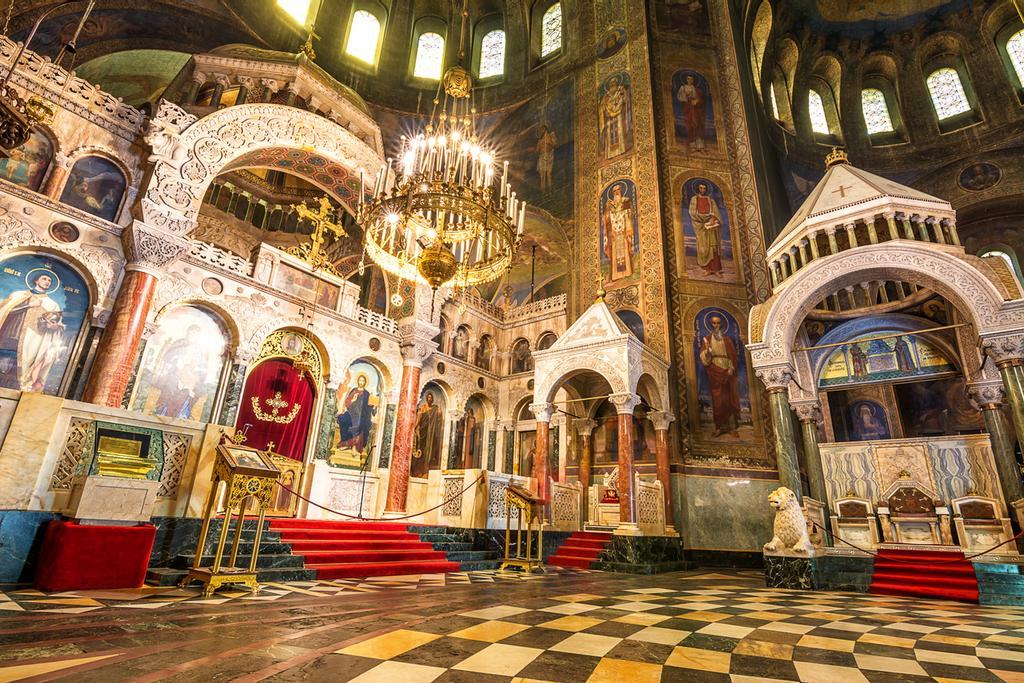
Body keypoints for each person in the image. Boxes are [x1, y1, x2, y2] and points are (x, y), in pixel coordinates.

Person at [0, 270, 66, 392]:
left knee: (19, 371)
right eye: (44, 279)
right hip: (9, 335)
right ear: (36, 280)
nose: (47, 282)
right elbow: (6, 311)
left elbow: (58, 327)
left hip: (32, 341)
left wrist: (54, 327)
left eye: (50, 280)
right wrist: (29, 305)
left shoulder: (52, 304)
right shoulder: (18, 295)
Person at [698, 315, 740, 437]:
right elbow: (703, 357)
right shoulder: (707, 339)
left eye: (717, 323)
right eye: (713, 323)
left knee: (729, 398)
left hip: (727, 370)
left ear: (721, 324)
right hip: (714, 370)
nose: (715, 325)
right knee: (718, 400)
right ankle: (719, 427)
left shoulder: (727, 339)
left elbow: (732, 355)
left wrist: (731, 367)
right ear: (711, 325)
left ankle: (732, 427)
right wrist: (707, 352)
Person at [602, 182, 636, 283]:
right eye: (615, 192)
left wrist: (624, 213)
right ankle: (616, 276)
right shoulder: (610, 205)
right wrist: (607, 211)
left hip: (623, 232)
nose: (616, 193)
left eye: (618, 191)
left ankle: (627, 273)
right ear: (613, 193)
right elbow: (606, 220)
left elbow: (630, 214)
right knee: (615, 254)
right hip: (615, 234)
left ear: (621, 191)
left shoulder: (625, 201)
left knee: (625, 251)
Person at [688, 182, 724, 277]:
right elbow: (692, 213)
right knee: (704, 249)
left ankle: (716, 270)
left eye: (704, 188)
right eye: (701, 188)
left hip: (711, 228)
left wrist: (713, 218)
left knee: (714, 248)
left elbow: (716, 214)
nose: (702, 190)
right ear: (697, 188)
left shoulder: (710, 201)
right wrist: (704, 219)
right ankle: (707, 269)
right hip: (701, 227)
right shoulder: (694, 199)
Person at [336, 373, 376, 456]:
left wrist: (372, 403)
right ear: (358, 381)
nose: (361, 382)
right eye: (360, 380)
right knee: (342, 418)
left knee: (357, 424)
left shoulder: (366, 393)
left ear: (365, 382)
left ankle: (354, 447)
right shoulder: (354, 390)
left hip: (361, 415)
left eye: (363, 381)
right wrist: (353, 400)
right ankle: (345, 443)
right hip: (351, 413)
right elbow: (347, 403)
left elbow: (369, 407)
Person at [599, 75, 631, 160]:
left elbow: (625, 101)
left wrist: (624, 93)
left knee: (619, 131)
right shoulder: (607, 97)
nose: (613, 86)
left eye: (614, 84)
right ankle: (610, 154)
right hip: (609, 118)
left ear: (617, 84)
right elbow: (602, 107)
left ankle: (621, 149)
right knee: (610, 135)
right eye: (611, 85)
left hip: (619, 116)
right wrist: (605, 110)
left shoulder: (620, 92)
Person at [411, 391, 443, 477]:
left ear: (432, 400)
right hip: (422, 433)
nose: (429, 399)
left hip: (431, 434)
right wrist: (414, 428)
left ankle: (426, 470)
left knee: (429, 452)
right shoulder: (423, 408)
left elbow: (439, 415)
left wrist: (439, 404)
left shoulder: (435, 408)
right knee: (421, 450)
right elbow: (418, 419)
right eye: (428, 398)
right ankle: (418, 470)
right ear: (426, 399)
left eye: (431, 398)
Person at [676, 74, 707, 151]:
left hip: (696, 108)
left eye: (691, 79)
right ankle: (692, 144)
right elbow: (680, 97)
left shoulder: (696, 89)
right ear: (686, 80)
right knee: (689, 124)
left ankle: (699, 144)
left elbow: (700, 99)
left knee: (697, 123)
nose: (690, 80)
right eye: (688, 79)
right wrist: (688, 100)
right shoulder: (683, 88)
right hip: (688, 107)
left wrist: (697, 100)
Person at [536, 123, 557, 193]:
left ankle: (550, 190)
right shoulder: (540, 140)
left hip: (549, 156)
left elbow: (554, 144)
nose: (541, 131)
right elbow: (537, 150)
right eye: (540, 130)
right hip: (542, 157)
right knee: (542, 175)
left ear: (545, 129)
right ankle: (543, 191)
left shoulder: (550, 136)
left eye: (542, 129)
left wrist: (550, 140)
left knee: (549, 174)